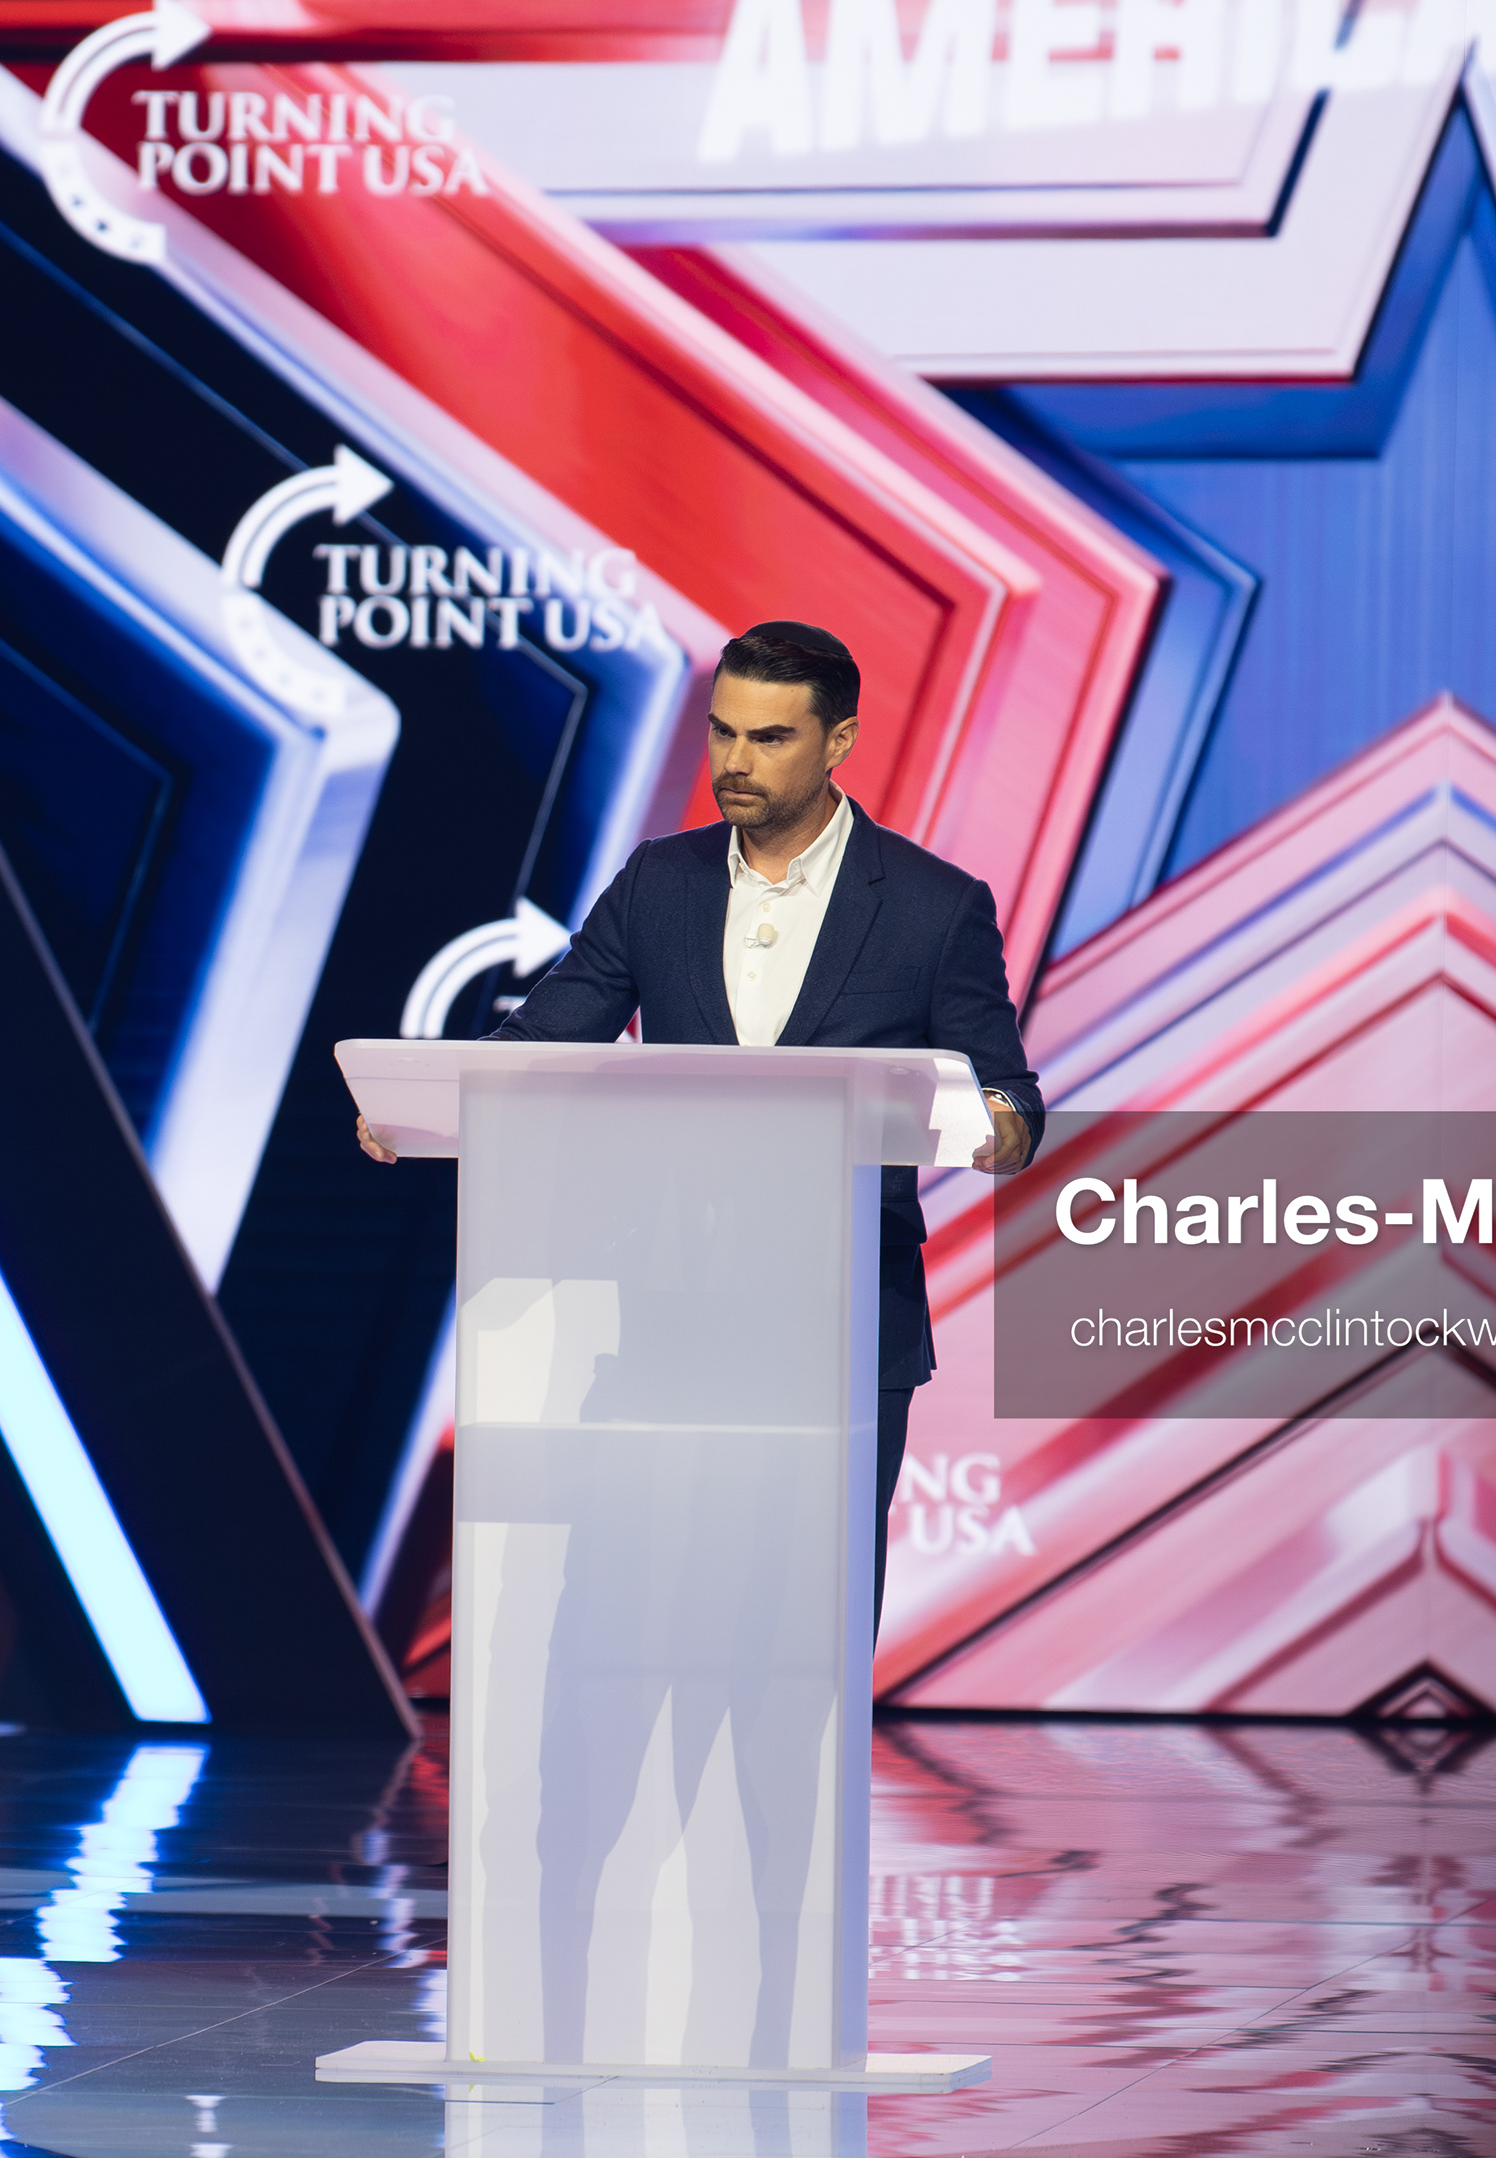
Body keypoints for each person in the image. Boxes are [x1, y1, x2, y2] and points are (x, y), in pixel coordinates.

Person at [358, 620, 1044, 1629]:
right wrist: (430, 1105)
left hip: (846, 1329)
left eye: (768, 738)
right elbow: (550, 1036)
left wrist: (996, 1125)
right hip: (663, 1322)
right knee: (623, 1630)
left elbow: (1010, 1096)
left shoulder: (935, 908)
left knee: (801, 1643)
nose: (734, 761)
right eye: (723, 732)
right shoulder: (658, 882)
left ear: (839, 741)